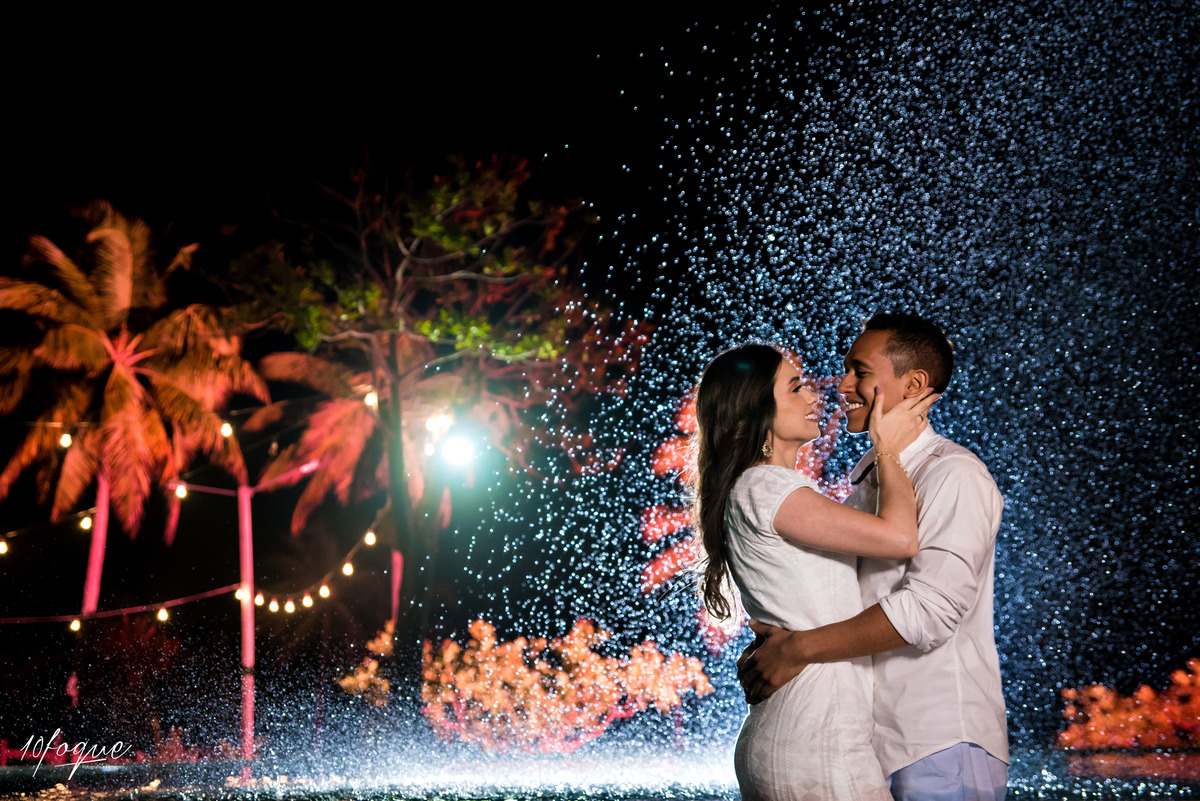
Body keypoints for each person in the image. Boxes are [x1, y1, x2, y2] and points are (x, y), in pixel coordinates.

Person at [737, 313, 1009, 801]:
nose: (842, 385)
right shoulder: (868, 482)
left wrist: (798, 650)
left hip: (937, 743)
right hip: (865, 745)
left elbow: (931, 610)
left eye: (859, 371)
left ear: (914, 385)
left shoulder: (954, 475)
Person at [692, 341, 937, 800]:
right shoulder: (767, 486)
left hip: (810, 732)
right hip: (815, 741)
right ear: (760, 412)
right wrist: (887, 448)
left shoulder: (764, 489)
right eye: (795, 388)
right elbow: (900, 539)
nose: (814, 398)